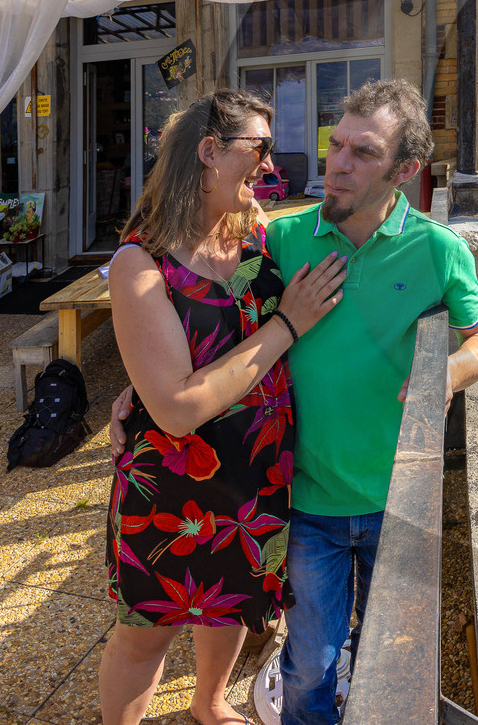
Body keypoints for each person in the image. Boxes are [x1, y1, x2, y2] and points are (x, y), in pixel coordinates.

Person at [99, 89, 347, 725]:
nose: (270, 164)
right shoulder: (140, 263)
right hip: (172, 487)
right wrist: (287, 325)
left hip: (257, 474)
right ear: (209, 152)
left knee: (235, 603)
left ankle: (209, 703)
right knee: (146, 632)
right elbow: (178, 408)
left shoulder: (260, 237)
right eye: (259, 148)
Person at [266, 78, 478, 724]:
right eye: (334, 143)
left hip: (399, 504)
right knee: (310, 660)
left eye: (362, 152)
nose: (336, 161)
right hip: (310, 501)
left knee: (384, 659)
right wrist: (139, 400)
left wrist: (446, 371)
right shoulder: (284, 242)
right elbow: (207, 318)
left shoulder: (438, 249)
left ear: (404, 169)